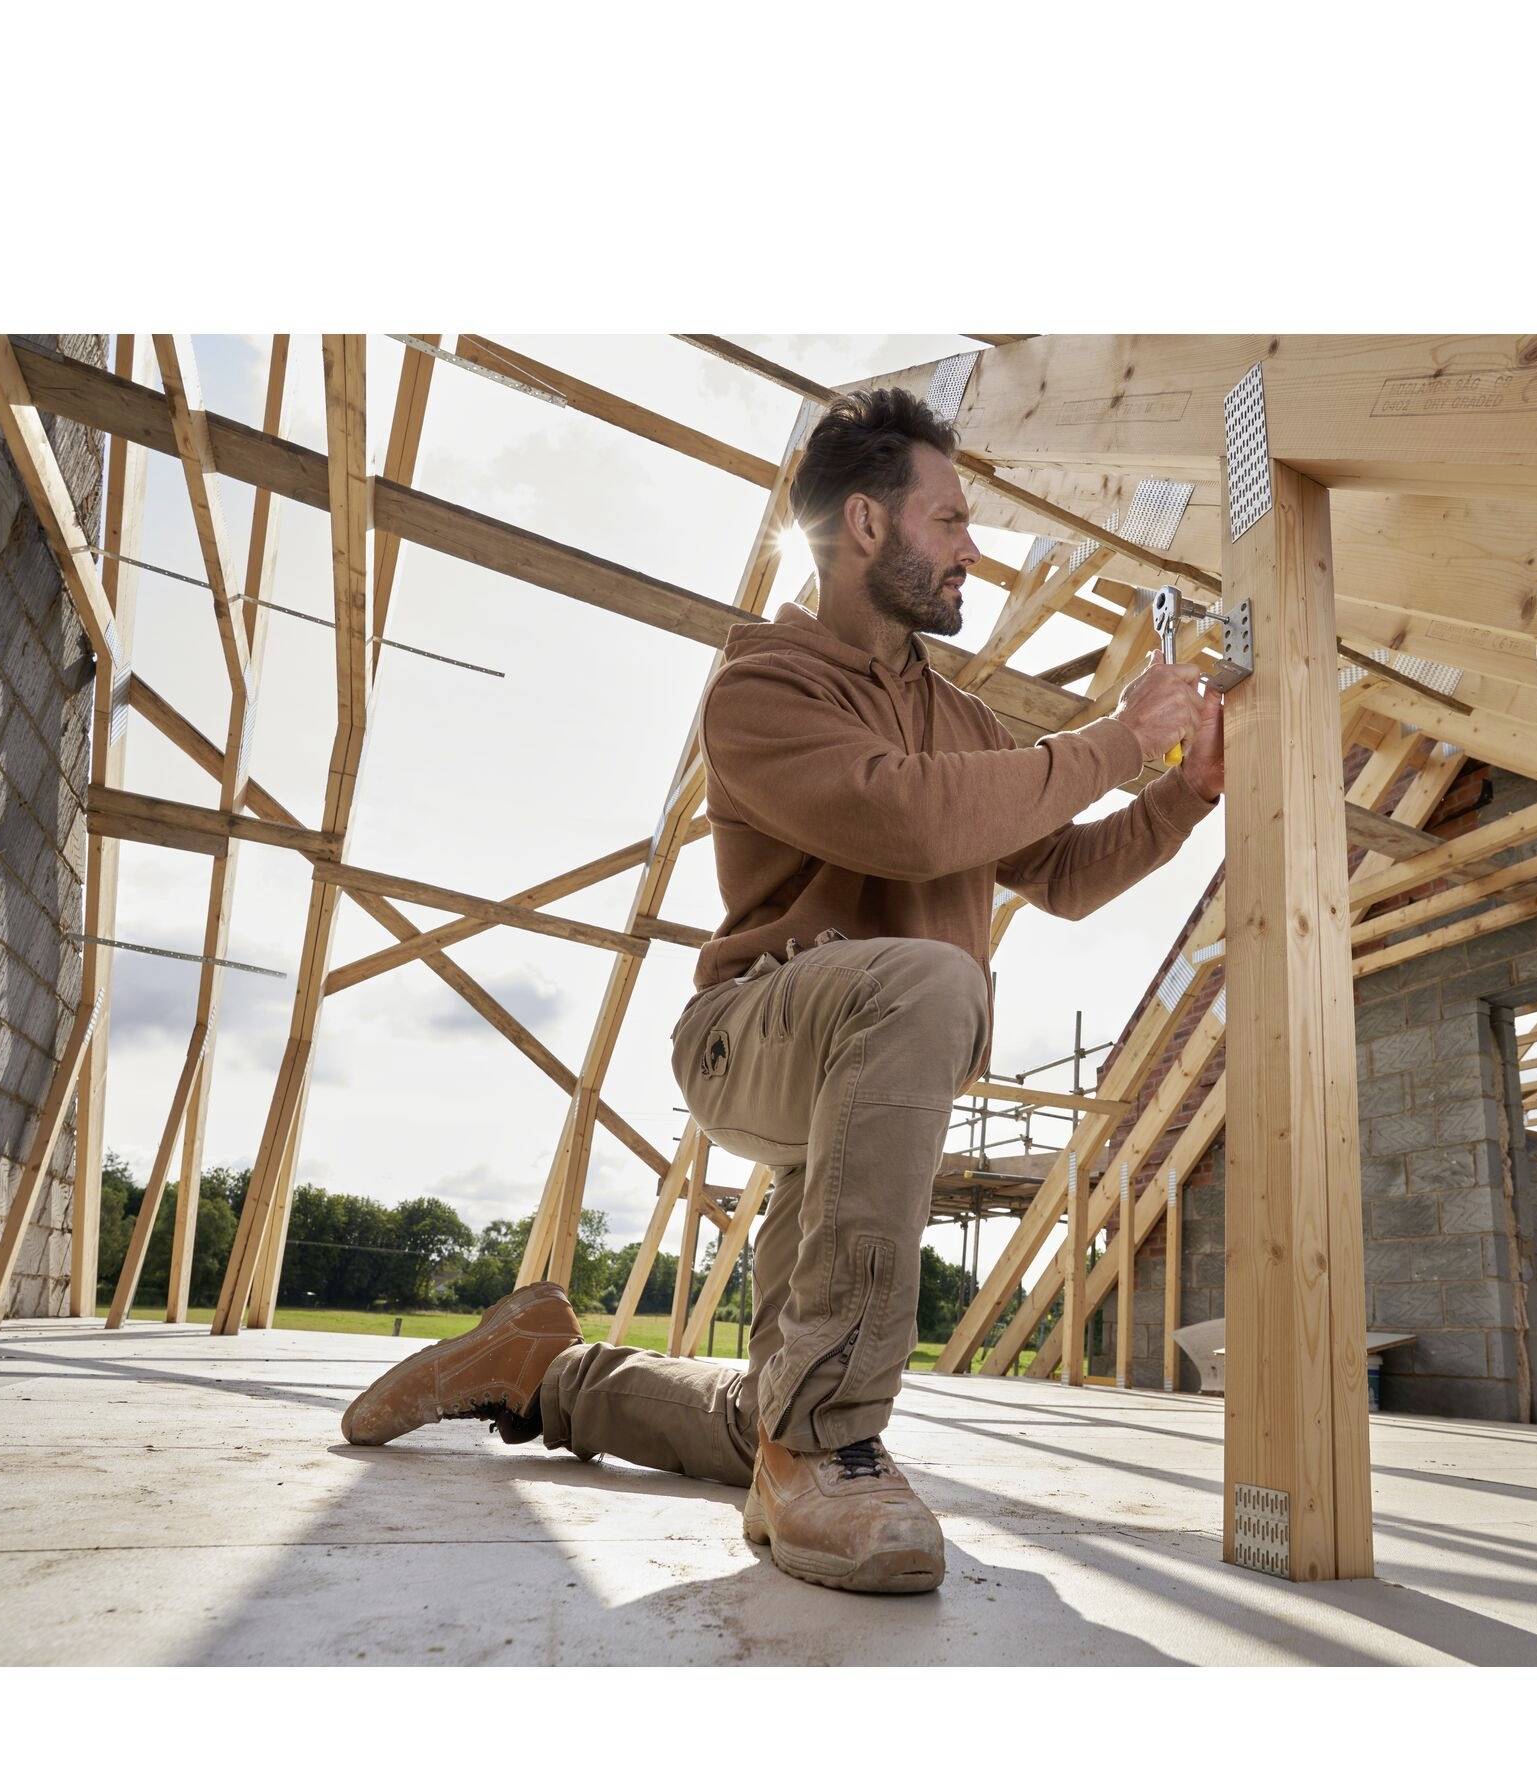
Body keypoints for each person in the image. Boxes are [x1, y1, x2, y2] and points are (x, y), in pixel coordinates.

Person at [341, 385, 1225, 1594]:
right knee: (934, 977)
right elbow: (898, 821)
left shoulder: (962, 718)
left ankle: (543, 1371)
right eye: (951, 518)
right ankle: (829, 1449)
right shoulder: (762, 685)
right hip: (750, 1036)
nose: (975, 546)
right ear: (864, 526)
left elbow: (1061, 871)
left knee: (751, 1410)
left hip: (863, 1072)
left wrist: (1175, 799)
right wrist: (1114, 743)